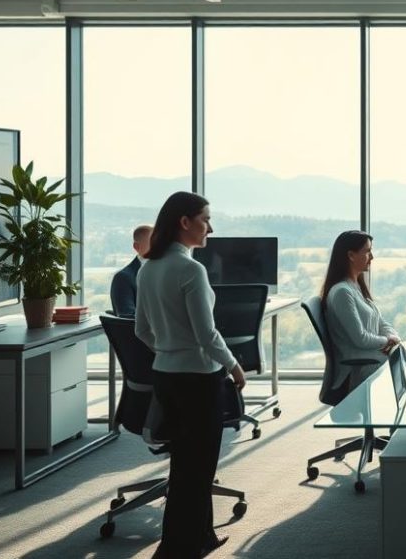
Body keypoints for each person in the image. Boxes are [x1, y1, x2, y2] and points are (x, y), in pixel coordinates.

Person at [133, 192, 244, 559]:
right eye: (205, 219)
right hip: (198, 379)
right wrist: (233, 364)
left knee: (186, 462)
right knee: (197, 468)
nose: (210, 227)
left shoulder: (148, 267)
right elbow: (206, 335)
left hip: (167, 376)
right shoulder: (190, 269)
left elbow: (141, 331)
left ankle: (201, 536)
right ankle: (177, 549)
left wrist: (168, 350)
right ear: (185, 222)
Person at [319, 230, 401, 390]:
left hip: (371, 356)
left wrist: (393, 337)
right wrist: (388, 341)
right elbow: (360, 338)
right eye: (368, 251)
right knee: (404, 365)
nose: (372, 257)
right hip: (358, 366)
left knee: (405, 360)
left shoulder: (356, 286)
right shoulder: (342, 292)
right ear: (351, 255)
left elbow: (380, 322)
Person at [110, 224, 152, 318]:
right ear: (137, 247)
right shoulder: (123, 278)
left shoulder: (166, 273)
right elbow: (127, 316)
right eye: (152, 242)